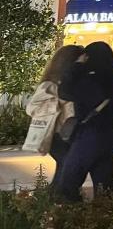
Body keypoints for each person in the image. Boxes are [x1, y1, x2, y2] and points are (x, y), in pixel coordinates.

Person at [54, 42, 113, 201]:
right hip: (110, 137)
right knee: (104, 185)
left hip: (89, 136)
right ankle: (107, 219)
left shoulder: (91, 81)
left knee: (68, 184)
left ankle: (70, 220)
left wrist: (78, 66)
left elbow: (64, 90)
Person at [24, 45, 85, 186]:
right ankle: (59, 200)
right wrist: (58, 103)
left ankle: (57, 200)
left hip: (71, 133)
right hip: (57, 133)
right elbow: (32, 108)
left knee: (65, 168)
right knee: (67, 167)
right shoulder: (49, 85)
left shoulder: (76, 83)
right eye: (80, 61)